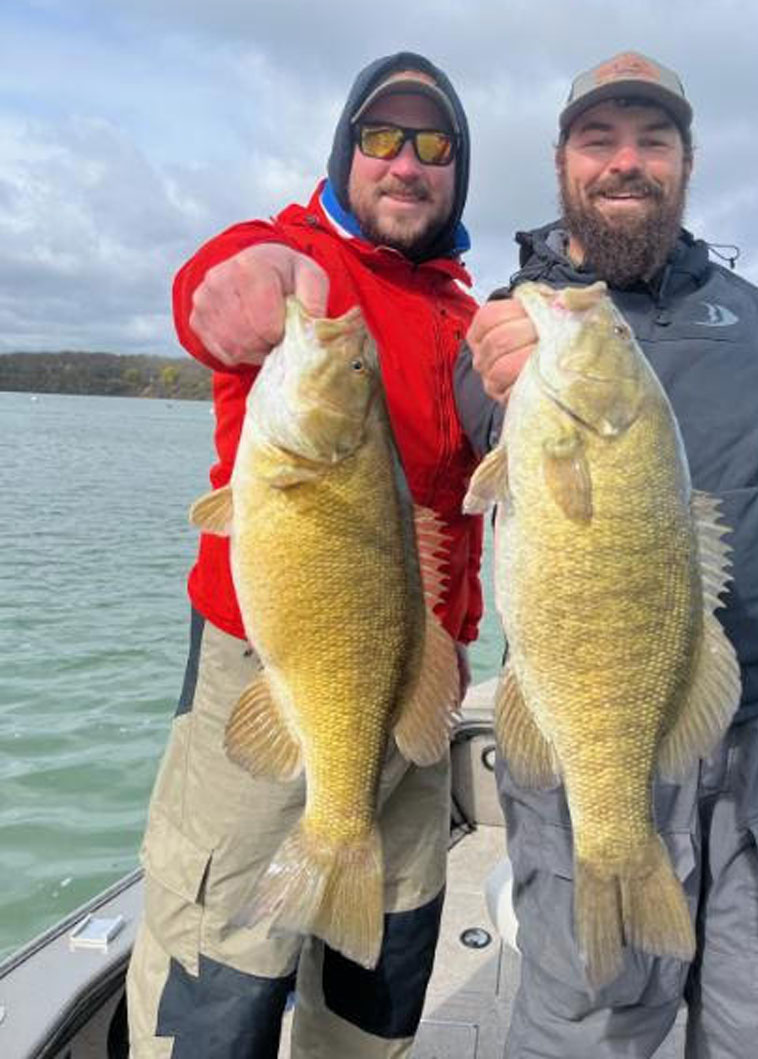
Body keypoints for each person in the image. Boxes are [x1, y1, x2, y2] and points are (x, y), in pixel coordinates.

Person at [455, 51, 758, 1059]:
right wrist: (496, 372)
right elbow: (467, 423)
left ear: (686, 160)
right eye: (599, 140)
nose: (626, 162)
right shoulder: (519, 320)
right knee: (589, 1016)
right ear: (561, 163)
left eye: (653, 140)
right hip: (586, 716)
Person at [126, 51, 483, 1059]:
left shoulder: (466, 315)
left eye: (433, 144)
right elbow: (219, 283)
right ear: (344, 154)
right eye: (379, 138)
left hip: (417, 679)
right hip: (279, 663)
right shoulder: (298, 262)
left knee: (390, 942)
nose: (405, 163)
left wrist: (453, 641)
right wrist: (250, 279)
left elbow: (463, 511)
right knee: (226, 953)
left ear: (458, 172)